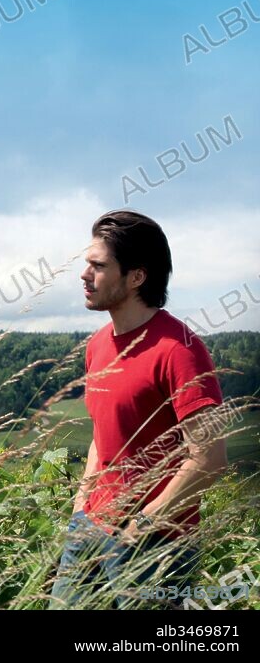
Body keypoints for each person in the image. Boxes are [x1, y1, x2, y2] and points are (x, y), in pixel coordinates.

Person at [49, 210, 227, 609]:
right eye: (86, 263)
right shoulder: (97, 345)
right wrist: (82, 502)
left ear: (136, 277)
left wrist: (144, 523)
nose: (84, 274)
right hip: (90, 528)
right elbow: (104, 433)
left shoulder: (179, 349)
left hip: (154, 545)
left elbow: (210, 457)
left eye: (98, 265)